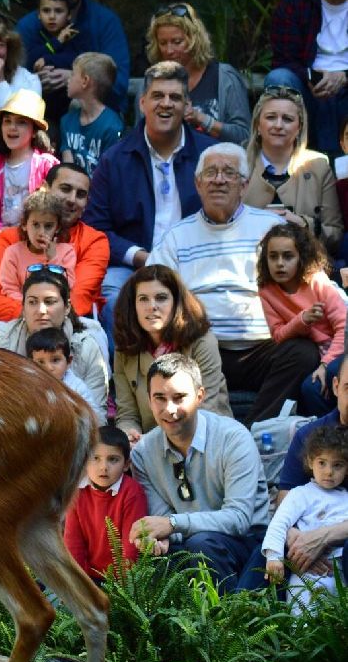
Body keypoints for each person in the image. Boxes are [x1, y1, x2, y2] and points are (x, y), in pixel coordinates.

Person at [148, 143, 319, 423]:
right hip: (200, 349)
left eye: (229, 172)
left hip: (264, 346)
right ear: (198, 183)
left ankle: (252, 430)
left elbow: (308, 281)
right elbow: (150, 289)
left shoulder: (269, 229)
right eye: (211, 172)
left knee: (302, 353)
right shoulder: (177, 236)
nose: (218, 179)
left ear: (244, 184)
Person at [86, 61, 218, 334]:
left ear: (187, 106)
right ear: (143, 102)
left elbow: (228, 218)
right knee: (113, 299)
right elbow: (96, 228)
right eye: (158, 96)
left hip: (198, 262)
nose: (166, 104)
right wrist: (141, 257)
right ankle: (128, 373)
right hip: (133, 266)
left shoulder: (211, 156)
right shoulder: (115, 159)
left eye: (175, 97)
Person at [129, 353, 270, 591]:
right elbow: (161, 517)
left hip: (245, 542)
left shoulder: (234, 438)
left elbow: (239, 518)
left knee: (202, 544)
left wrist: (173, 524)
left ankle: (227, 622)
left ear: (200, 396)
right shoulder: (143, 452)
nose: (169, 409)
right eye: (160, 398)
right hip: (186, 541)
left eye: (179, 397)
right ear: (149, 400)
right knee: (148, 556)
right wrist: (158, 537)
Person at [112, 264, 231, 445]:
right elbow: (127, 413)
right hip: (147, 447)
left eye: (161, 298)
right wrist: (129, 434)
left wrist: (152, 443)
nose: (152, 306)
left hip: (206, 442)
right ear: (132, 305)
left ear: (177, 303)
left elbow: (207, 411)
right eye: (143, 299)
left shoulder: (202, 342)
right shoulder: (124, 348)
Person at [16, 0, 132, 112]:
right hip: (42, 118)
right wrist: (36, 82)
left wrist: (77, 79)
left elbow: (119, 83)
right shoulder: (28, 26)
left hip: (96, 120)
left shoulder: (105, 21)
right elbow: (10, 81)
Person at [0, 162, 108, 321]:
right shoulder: (8, 240)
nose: (72, 199)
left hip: (71, 325)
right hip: (16, 323)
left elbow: (79, 299)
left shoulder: (95, 241)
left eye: (81, 194)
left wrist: (41, 318)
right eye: (65, 189)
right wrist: (36, 318)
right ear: (44, 188)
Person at [0, 267, 109, 406]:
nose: (41, 310)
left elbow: (97, 415)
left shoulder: (87, 345)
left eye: (50, 301)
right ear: (23, 307)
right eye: (32, 302)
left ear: (67, 307)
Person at [267, 0, 348, 155]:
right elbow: (283, 59)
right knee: (278, 79)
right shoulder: (296, 0)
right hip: (309, 82)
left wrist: (343, 75)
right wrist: (312, 75)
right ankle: (285, 159)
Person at [242, 86, 343, 257]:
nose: (279, 125)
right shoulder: (237, 164)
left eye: (287, 119)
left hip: (307, 268)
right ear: (258, 125)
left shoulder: (319, 166)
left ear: (299, 128)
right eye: (271, 117)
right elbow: (222, 227)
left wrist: (302, 224)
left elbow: (335, 235)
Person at [257, 223, 346, 415]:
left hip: (339, 348)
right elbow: (279, 335)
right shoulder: (266, 291)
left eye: (288, 256)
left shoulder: (316, 281)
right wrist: (303, 320)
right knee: (311, 388)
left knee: (319, 383)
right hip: (313, 351)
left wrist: (326, 364)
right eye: (273, 257)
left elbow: (344, 327)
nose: (280, 263)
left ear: (301, 258)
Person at [273, 368, 348, 585]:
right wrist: (297, 541)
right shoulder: (310, 435)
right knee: (267, 553)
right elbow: (285, 501)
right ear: (335, 386)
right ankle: (241, 614)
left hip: (339, 537)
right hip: (305, 533)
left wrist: (323, 537)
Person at [263, 426, 348, 613]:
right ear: (310, 462)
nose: (329, 472)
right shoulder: (300, 494)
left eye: (338, 465)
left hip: (339, 573)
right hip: (306, 575)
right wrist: (274, 557)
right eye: (322, 463)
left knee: (337, 625)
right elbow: (279, 523)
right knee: (302, 622)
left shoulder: (346, 497)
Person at [141, 3, 250, 145]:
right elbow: (140, 135)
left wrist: (200, 118)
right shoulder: (152, 80)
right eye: (162, 43)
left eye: (177, 42)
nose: (169, 50)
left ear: (194, 40)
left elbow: (244, 135)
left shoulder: (223, 77)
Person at [64, 426, 147, 581]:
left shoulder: (132, 493)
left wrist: (124, 592)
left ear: (126, 464)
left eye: (113, 459)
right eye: (95, 458)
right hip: (88, 577)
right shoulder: (76, 493)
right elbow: (73, 544)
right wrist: (80, 585)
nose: (103, 467)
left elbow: (131, 549)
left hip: (123, 582)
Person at [0, 90, 59, 236]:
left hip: (37, 238)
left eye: (21, 122)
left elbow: (56, 205)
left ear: (34, 132)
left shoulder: (47, 164)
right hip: (3, 237)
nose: (12, 127)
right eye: (7, 121)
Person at [0, 191, 75, 309]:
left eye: (48, 226)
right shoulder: (13, 253)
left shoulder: (67, 252)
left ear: (57, 228)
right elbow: (9, 288)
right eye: (35, 224)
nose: (41, 232)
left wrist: (53, 259)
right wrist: (32, 307)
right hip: (22, 312)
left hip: (55, 313)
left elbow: (67, 286)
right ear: (24, 225)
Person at [59, 52, 123, 174]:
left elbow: (111, 172)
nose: (68, 79)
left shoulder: (112, 126)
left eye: (73, 74)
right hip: (74, 188)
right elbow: (68, 170)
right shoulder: (67, 121)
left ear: (85, 81)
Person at [29, 0, 81, 133]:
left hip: (70, 105)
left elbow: (77, 60)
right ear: (38, 14)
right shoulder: (35, 35)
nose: (52, 16)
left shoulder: (74, 35)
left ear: (69, 14)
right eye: (46, 10)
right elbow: (32, 58)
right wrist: (57, 42)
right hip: (43, 108)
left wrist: (49, 60)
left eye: (58, 11)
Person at [26, 327, 101, 416]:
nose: (49, 368)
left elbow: (94, 415)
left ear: (68, 361)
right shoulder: (30, 387)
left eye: (55, 360)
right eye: (40, 362)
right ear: (30, 364)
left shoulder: (77, 388)